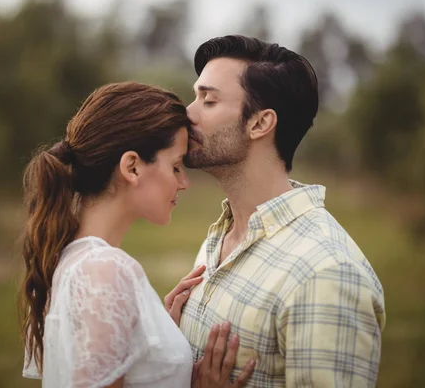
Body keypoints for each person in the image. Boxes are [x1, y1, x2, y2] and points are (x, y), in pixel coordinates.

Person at [169, 35, 386, 387]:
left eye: (207, 101)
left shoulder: (325, 274)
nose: (187, 113)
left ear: (259, 123)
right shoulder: (222, 237)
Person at [18, 81, 255, 388]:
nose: (184, 183)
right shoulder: (105, 272)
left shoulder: (71, 259)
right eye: (176, 166)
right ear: (132, 167)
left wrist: (155, 337)